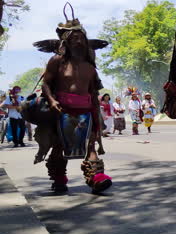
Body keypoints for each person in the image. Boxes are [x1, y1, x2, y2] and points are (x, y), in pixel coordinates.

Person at [33, 3, 113, 193]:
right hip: (61, 110)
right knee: (59, 146)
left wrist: (96, 113)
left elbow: (94, 91)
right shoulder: (57, 61)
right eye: (74, 37)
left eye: (81, 38)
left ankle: (96, 178)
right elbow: (46, 84)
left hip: (86, 110)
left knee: (90, 143)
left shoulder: (90, 65)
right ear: (66, 41)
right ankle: (59, 180)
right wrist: (52, 101)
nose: (79, 41)